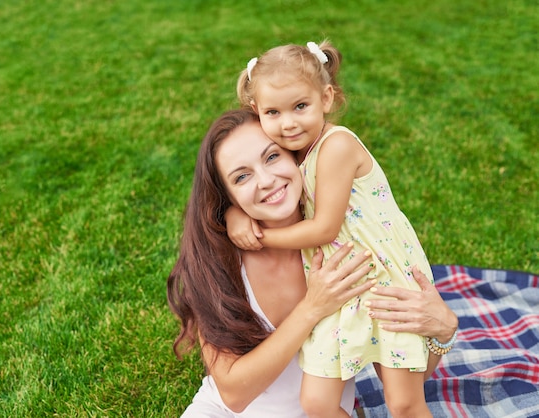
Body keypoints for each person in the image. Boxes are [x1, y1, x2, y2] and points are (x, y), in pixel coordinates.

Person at [168, 109, 458, 417]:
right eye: (242, 177)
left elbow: (402, 378)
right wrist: (312, 308)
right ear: (227, 195)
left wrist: (444, 331)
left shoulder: (345, 254)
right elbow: (233, 394)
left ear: (297, 157)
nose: (266, 180)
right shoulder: (220, 259)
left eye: (272, 157)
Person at [227, 40, 444, 418]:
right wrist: (235, 214)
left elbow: (325, 228)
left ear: (326, 98)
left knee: (404, 402)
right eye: (273, 112)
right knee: (316, 403)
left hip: (383, 280)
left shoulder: (336, 145)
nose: (289, 122)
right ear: (256, 112)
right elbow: (253, 183)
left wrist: (260, 237)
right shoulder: (292, 152)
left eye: (300, 106)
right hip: (338, 289)